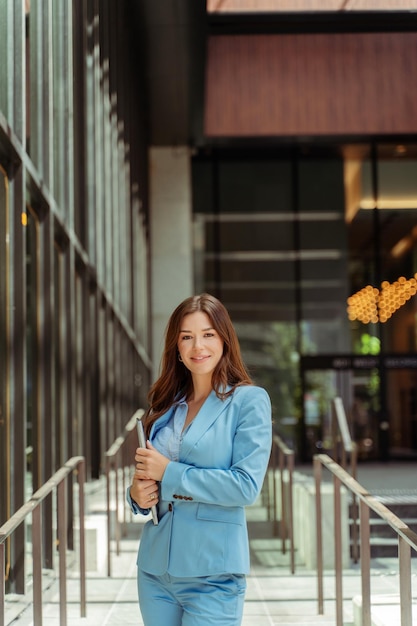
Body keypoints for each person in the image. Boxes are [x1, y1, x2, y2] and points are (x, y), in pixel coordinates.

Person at [127, 293, 272, 626]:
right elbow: (149, 477)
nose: (197, 346)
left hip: (214, 574)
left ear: (224, 339)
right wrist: (135, 495)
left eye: (208, 334)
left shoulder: (248, 402)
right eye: (186, 337)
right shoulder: (165, 405)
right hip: (155, 570)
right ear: (176, 348)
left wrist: (170, 473)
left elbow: (245, 487)